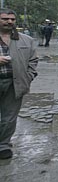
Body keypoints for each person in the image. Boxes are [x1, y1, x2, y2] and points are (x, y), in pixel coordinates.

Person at [0, 8, 38, 159]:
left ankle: (3, 145)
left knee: (9, 117)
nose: (9, 22)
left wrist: (28, 77)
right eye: (5, 19)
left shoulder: (26, 40)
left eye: (12, 19)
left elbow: (33, 61)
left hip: (14, 84)